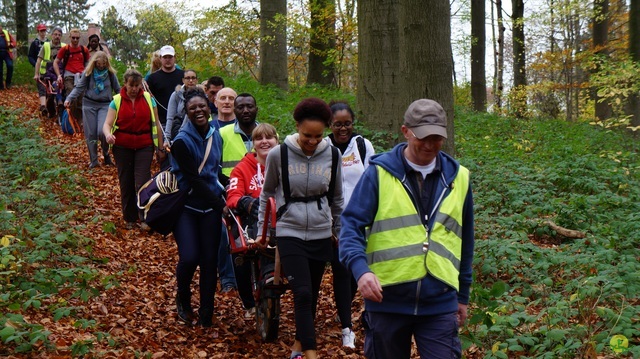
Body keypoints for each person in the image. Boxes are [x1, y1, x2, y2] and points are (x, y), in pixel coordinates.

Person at [339, 99, 475, 359]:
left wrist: (463, 295)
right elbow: (350, 227)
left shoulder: (459, 178)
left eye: (437, 138)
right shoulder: (378, 174)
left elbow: (465, 241)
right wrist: (361, 272)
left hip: (440, 302)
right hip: (387, 301)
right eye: (422, 137)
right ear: (405, 131)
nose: (429, 145)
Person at [258, 98, 343, 359]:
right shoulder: (278, 154)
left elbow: (337, 198)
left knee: (312, 294)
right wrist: (262, 231)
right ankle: (310, 353)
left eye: (318, 136)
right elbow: (267, 193)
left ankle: (297, 345)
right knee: (302, 292)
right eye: (307, 135)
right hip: (289, 229)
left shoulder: (333, 154)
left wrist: (338, 231)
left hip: (320, 231)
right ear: (297, 127)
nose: (312, 141)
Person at [170, 88, 226, 327]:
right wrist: (220, 204)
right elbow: (194, 179)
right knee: (190, 256)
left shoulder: (217, 135)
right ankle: (183, 297)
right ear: (187, 112)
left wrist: (231, 190)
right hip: (187, 207)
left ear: (208, 106)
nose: (198, 111)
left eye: (201, 106)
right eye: (193, 108)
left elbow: (215, 173)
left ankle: (206, 312)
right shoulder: (181, 142)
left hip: (210, 208)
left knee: (209, 261)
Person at [325, 100, 375, 348]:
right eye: (337, 124)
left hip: (360, 220)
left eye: (347, 124)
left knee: (355, 271)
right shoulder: (323, 146)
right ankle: (347, 327)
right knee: (341, 271)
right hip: (332, 222)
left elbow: (372, 179)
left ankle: (342, 308)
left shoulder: (363, 146)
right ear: (330, 125)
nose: (343, 129)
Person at [226, 123, 279, 318]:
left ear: (276, 141)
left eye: (269, 137)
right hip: (251, 220)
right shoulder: (242, 168)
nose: (264, 142)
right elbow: (232, 196)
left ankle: (272, 273)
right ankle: (248, 299)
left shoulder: (285, 164)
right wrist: (246, 201)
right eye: (259, 138)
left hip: (281, 218)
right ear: (253, 144)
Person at [102, 69, 165, 230]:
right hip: (122, 146)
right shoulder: (116, 101)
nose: (135, 89)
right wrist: (108, 135)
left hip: (144, 144)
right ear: (125, 84)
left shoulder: (148, 99)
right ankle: (130, 217)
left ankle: (145, 216)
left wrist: (160, 147)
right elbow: (107, 124)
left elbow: (157, 123)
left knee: (143, 181)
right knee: (126, 180)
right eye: (131, 85)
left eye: (137, 85)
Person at [65, 51, 121, 168]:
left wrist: (126, 101)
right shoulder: (88, 73)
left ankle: (105, 153)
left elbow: (118, 89)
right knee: (91, 133)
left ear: (106, 63)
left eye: (103, 64)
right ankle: (94, 160)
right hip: (89, 104)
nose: (101, 67)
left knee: (102, 131)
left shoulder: (110, 74)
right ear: (94, 63)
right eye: (99, 64)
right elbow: (79, 87)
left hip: (105, 105)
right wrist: (69, 98)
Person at [145, 45, 184, 130]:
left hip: (181, 121)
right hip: (161, 122)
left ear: (174, 58)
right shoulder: (152, 78)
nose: (167, 59)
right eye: (165, 57)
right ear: (160, 58)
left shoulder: (183, 76)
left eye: (170, 57)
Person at [34, 27, 65, 116]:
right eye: (55, 34)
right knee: (47, 92)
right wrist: (36, 74)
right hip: (46, 73)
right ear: (51, 35)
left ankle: (61, 106)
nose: (57, 36)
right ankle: (47, 109)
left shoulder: (64, 46)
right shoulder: (46, 46)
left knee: (60, 89)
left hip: (60, 73)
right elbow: (39, 61)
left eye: (59, 35)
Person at [165, 69, 200, 143]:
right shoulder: (176, 95)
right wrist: (167, 138)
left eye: (193, 78)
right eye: (188, 78)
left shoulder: (201, 95)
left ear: (197, 80)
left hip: (197, 133)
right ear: (183, 80)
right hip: (178, 133)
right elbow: (170, 118)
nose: (191, 80)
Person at [0, 23, 16, 90]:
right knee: (0, 70)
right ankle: (1, 85)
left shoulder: (6, 33)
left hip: (7, 52)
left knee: (10, 66)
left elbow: (14, 42)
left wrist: (12, 44)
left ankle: (8, 83)